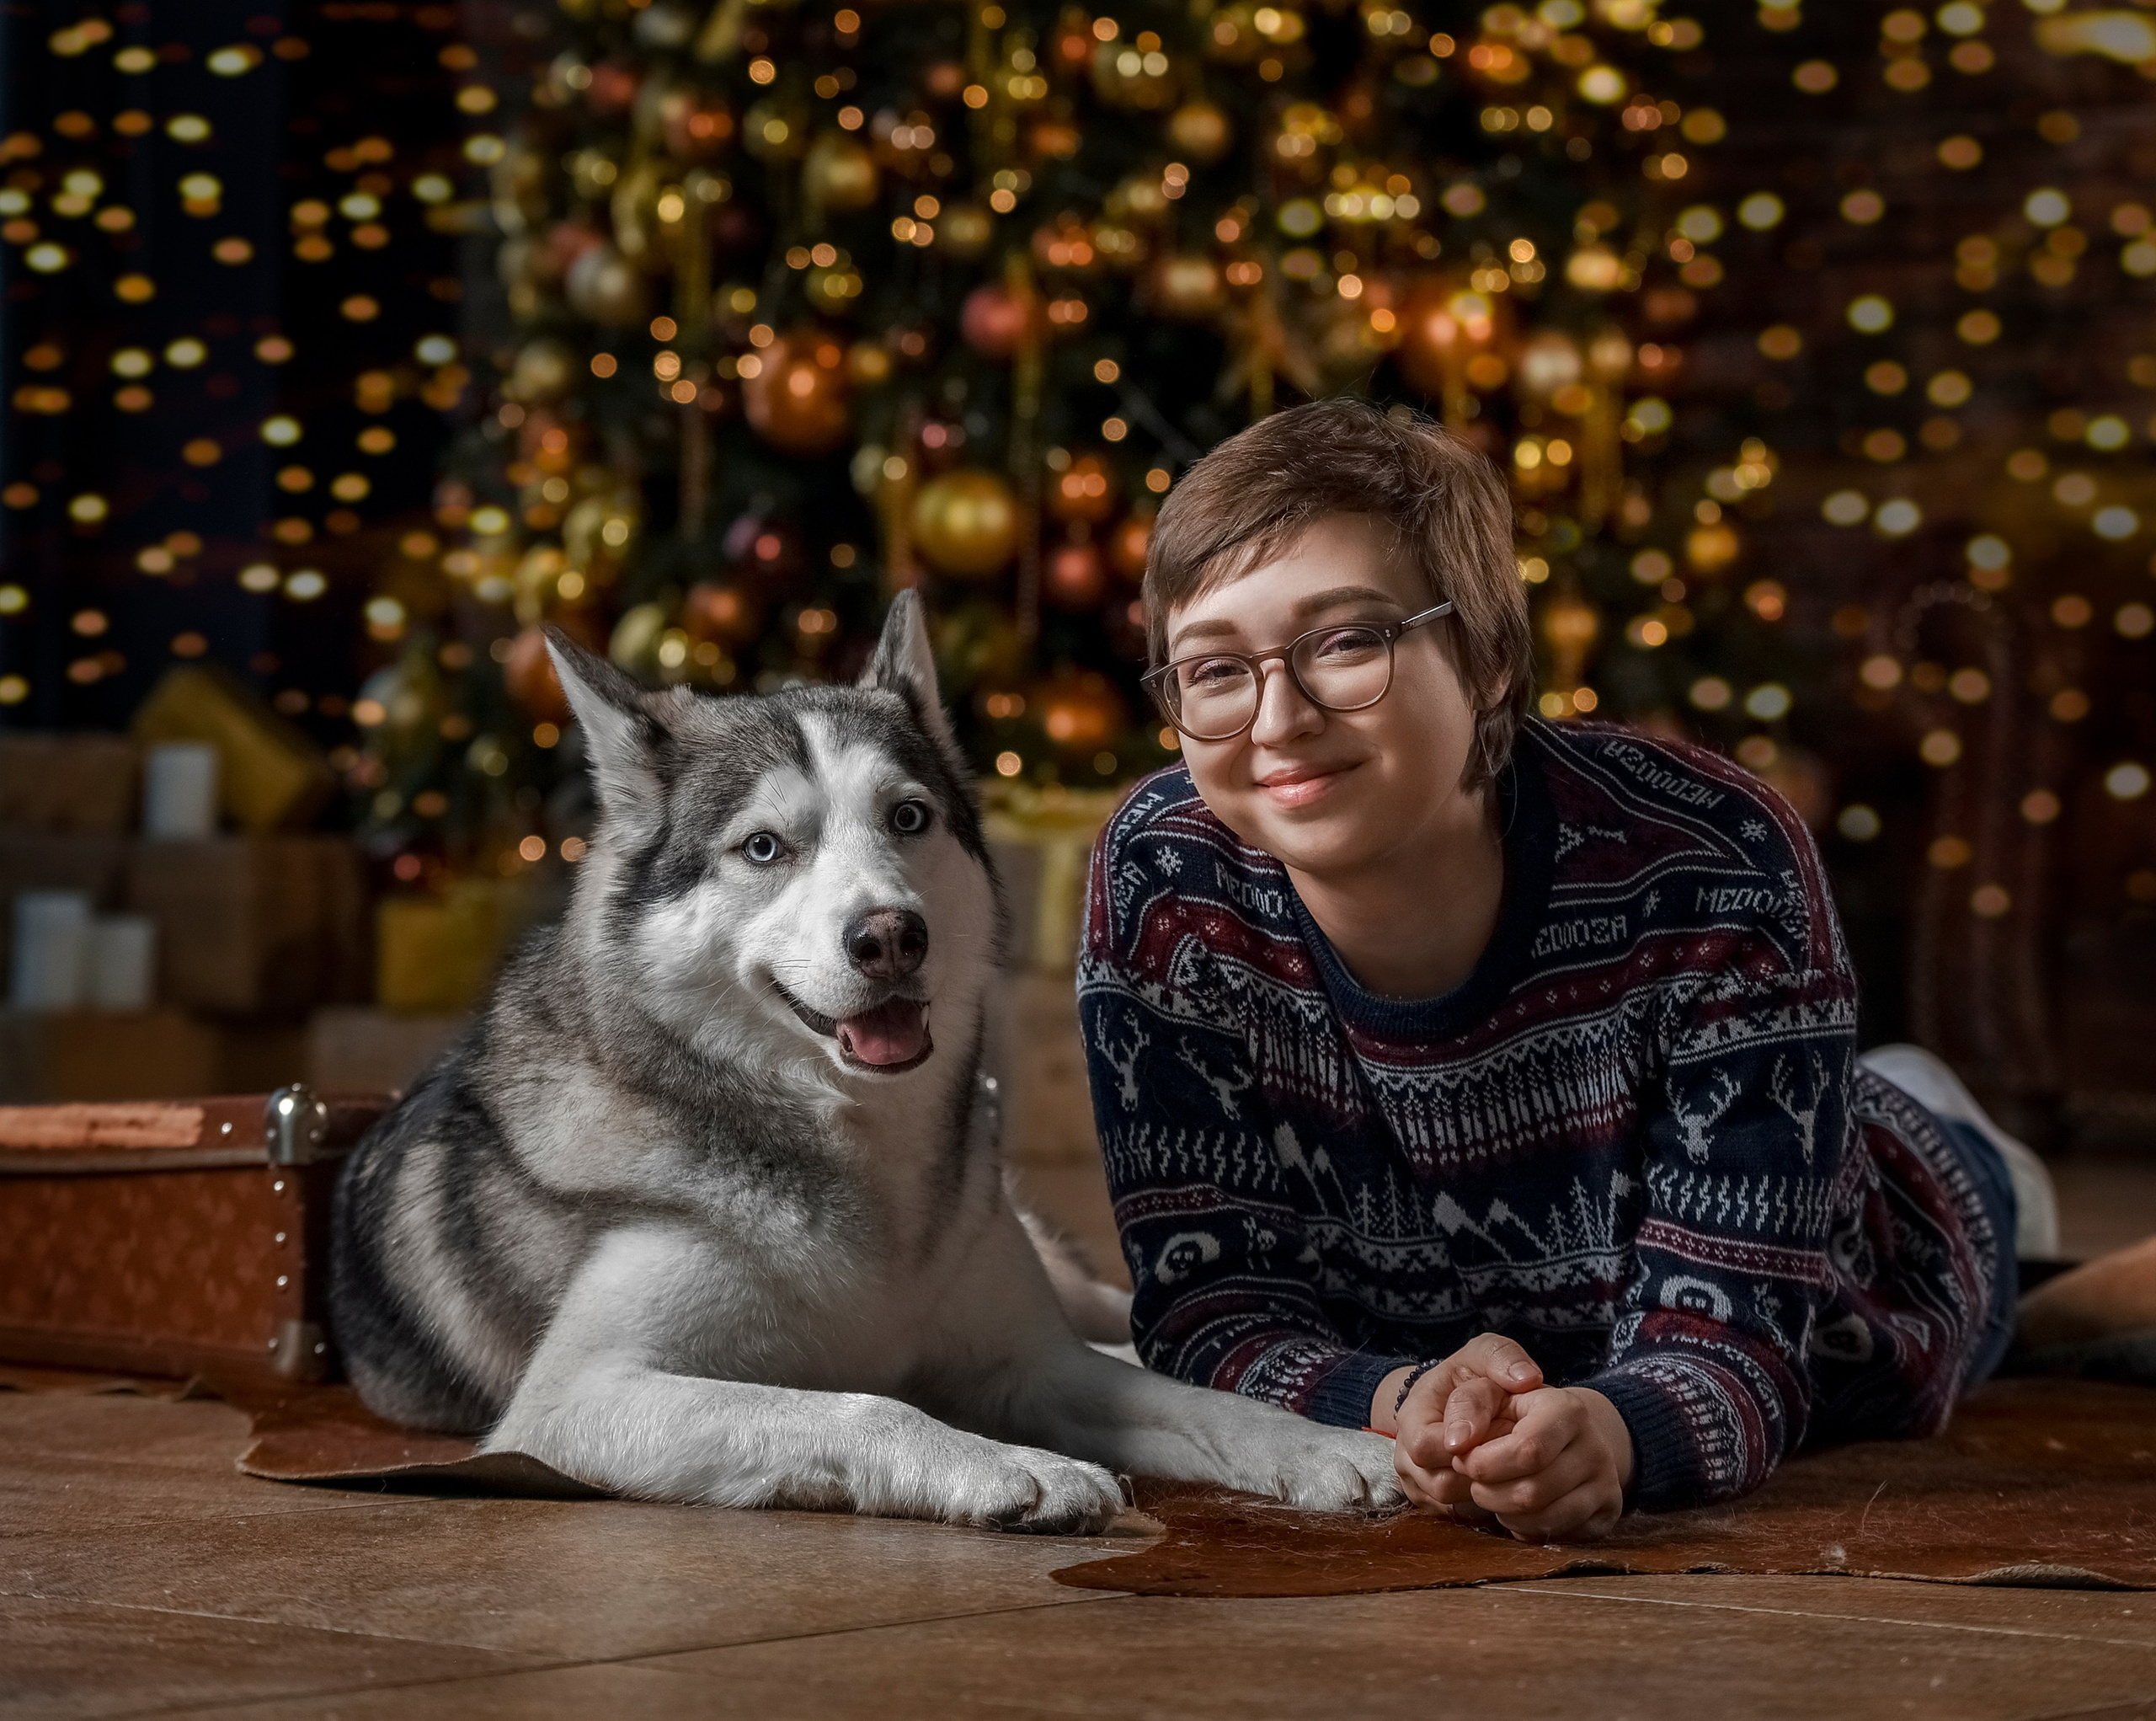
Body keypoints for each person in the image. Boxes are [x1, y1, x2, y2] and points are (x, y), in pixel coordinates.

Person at [1076, 398, 2074, 1542]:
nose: (1278, 718)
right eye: (1214, 668)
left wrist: (1615, 1431)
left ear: (1490, 659)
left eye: (1347, 641)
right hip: (1456, 1324)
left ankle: (1956, 1137)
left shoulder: (1712, 859)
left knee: (1971, 1235)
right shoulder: (1165, 884)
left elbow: (1743, 1337)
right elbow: (1208, 1313)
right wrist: (1405, 1402)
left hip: (1876, 1251)